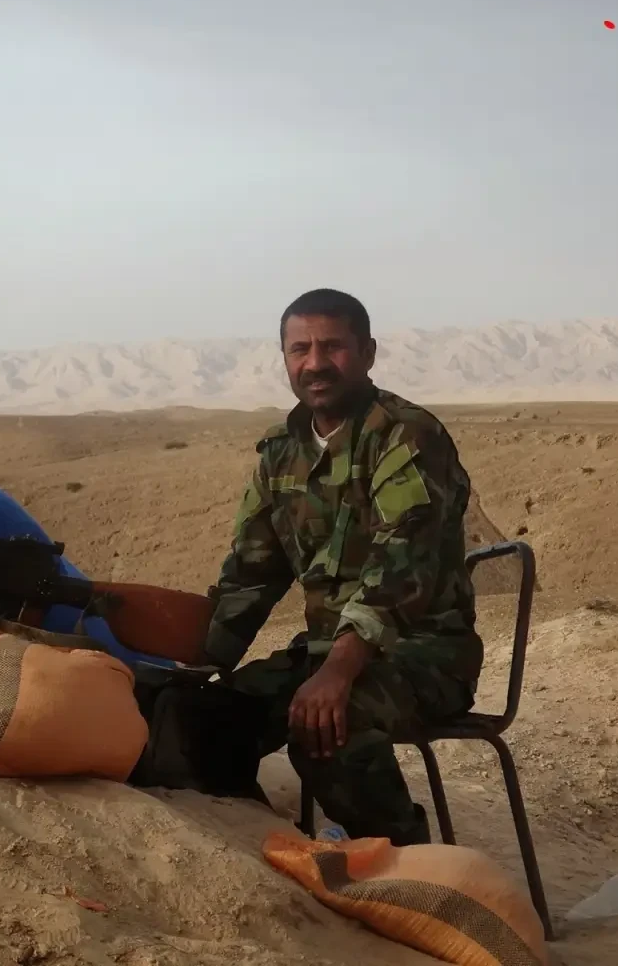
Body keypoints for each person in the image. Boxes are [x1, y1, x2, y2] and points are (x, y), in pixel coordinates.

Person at [203, 288, 482, 846]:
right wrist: (195, 664)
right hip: (326, 653)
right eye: (299, 349)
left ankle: (408, 867)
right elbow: (249, 578)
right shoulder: (281, 452)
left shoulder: (406, 437)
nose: (315, 363)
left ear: (367, 353)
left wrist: (336, 673)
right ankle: (273, 859)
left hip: (426, 655)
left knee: (328, 723)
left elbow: (400, 574)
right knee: (201, 720)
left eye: (332, 347)